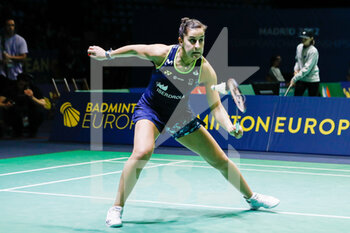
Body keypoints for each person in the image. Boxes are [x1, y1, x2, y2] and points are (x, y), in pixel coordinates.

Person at [88, 17, 280, 228]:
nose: (197, 46)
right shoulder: (163, 54)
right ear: (181, 40)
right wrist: (107, 55)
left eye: (201, 41)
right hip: (151, 109)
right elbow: (136, 50)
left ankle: (251, 198)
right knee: (142, 152)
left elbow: (215, 106)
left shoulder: (204, 69)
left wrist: (229, 126)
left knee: (219, 160)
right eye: (192, 40)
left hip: (179, 115)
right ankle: (116, 208)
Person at [1, 73, 47, 137]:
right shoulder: (10, 89)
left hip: (29, 112)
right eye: (21, 82)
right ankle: (16, 130)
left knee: (39, 111)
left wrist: (32, 97)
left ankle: (32, 130)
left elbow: (43, 103)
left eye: (26, 81)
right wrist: (5, 105)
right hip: (15, 112)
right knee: (9, 111)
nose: (23, 84)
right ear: (18, 81)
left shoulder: (33, 88)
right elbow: (0, 101)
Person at [289, 28, 320, 96]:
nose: (303, 40)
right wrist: (295, 70)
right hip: (301, 78)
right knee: (296, 100)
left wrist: (295, 78)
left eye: (305, 39)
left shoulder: (313, 51)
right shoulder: (299, 47)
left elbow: (307, 68)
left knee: (313, 103)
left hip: (312, 80)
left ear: (311, 38)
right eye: (302, 38)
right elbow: (298, 61)